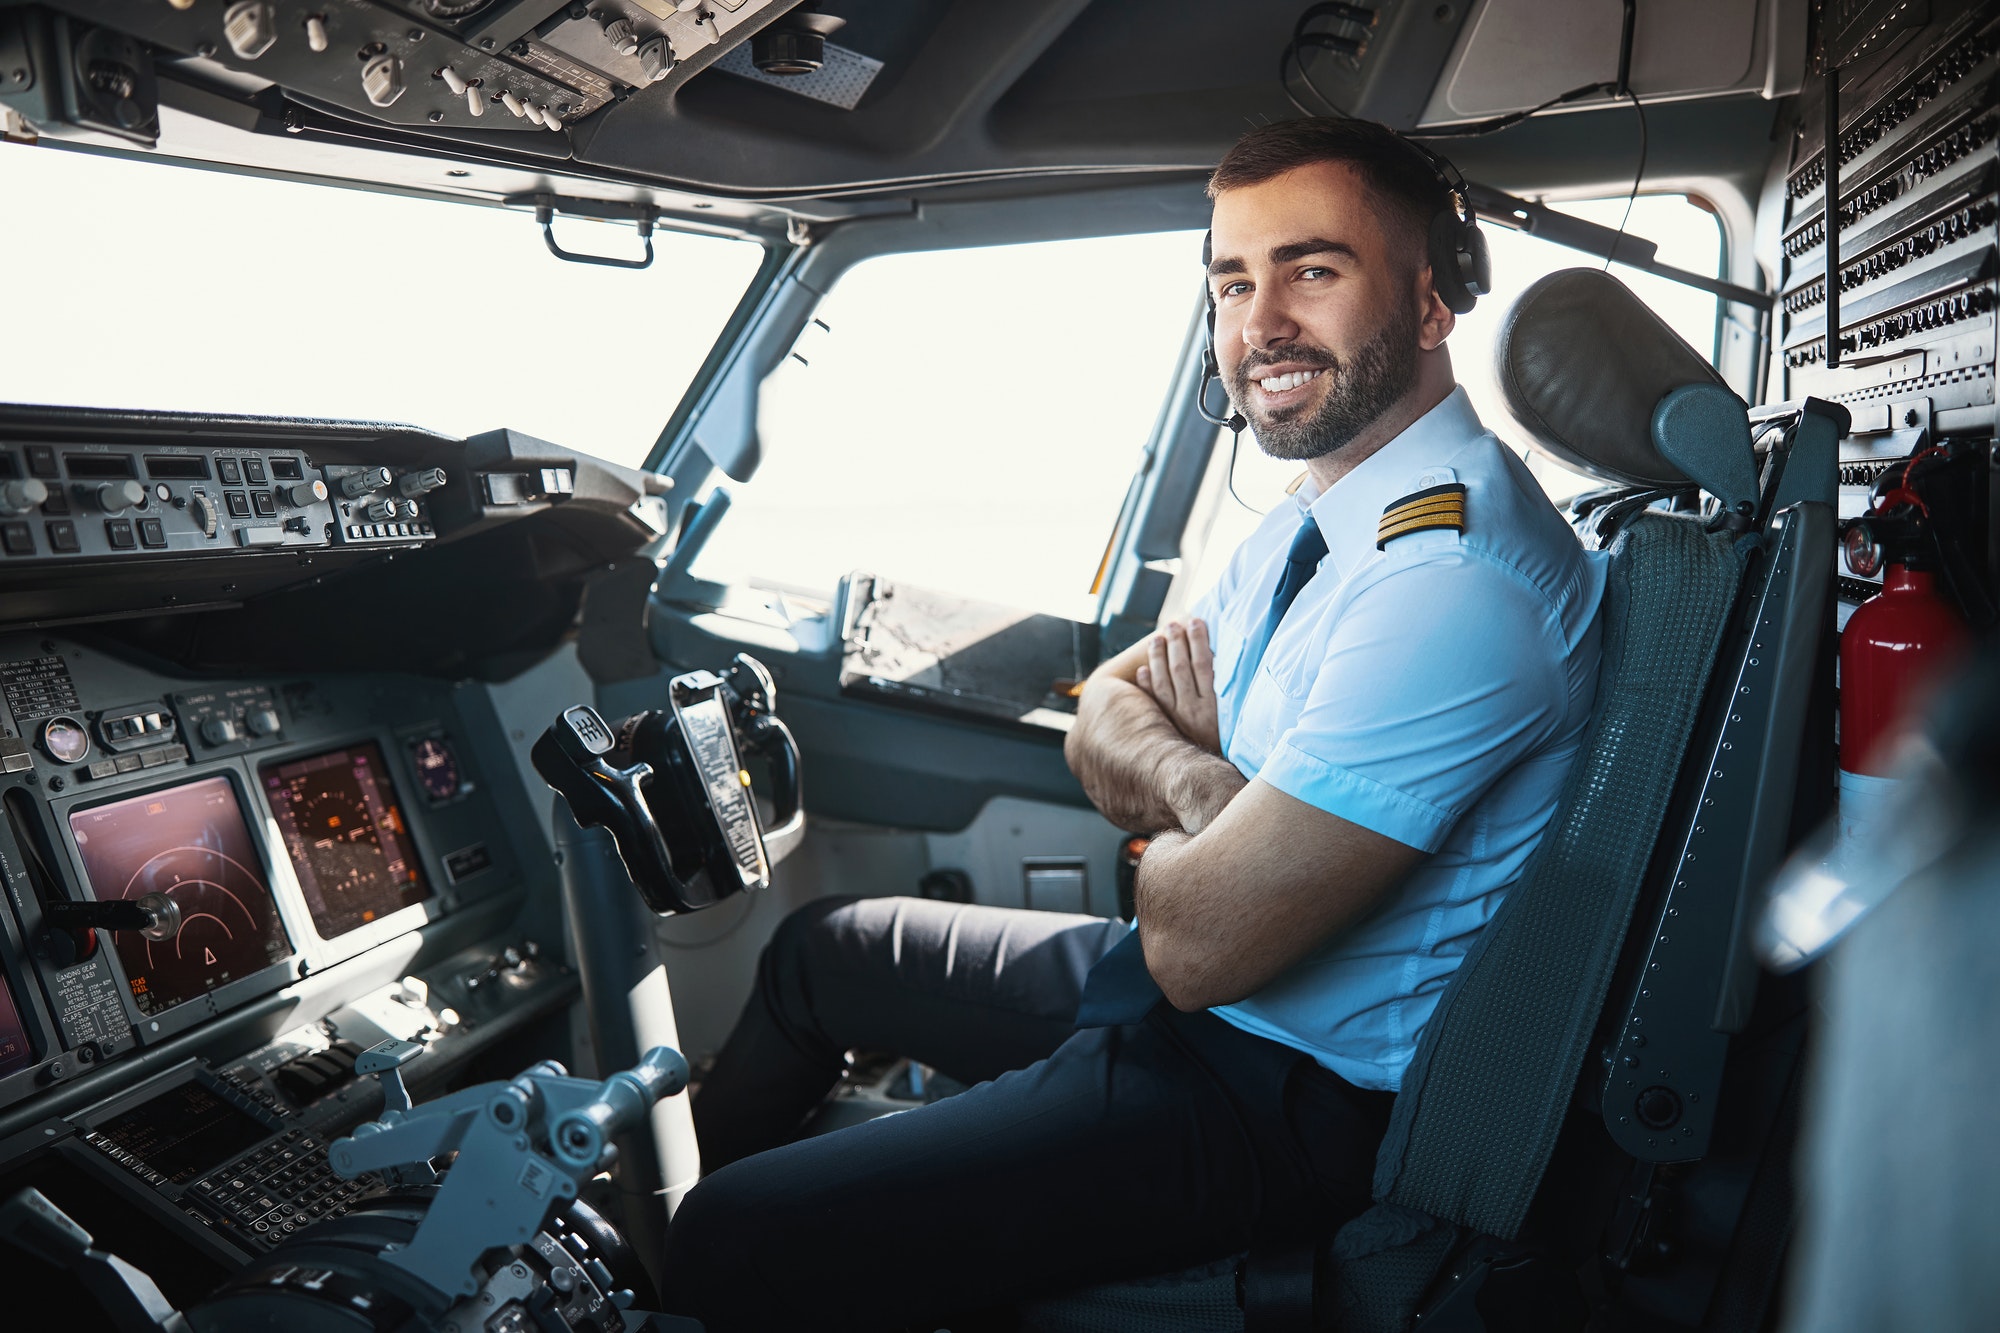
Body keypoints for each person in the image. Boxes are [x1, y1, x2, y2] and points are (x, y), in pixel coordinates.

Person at [660, 116, 1607, 1331]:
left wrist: (1174, 817)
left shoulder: (1451, 582)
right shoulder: (1319, 509)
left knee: (729, 1240)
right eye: (1230, 280)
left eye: (1310, 270)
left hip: (1280, 1092)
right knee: (818, 954)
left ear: (1431, 300)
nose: (1258, 322)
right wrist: (1208, 794)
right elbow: (1103, 704)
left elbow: (1194, 942)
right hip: (1205, 1004)